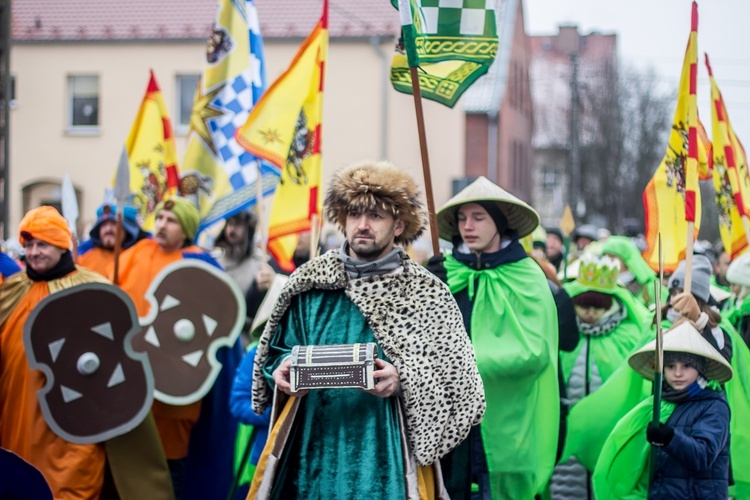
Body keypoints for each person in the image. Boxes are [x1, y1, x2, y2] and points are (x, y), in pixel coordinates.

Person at [249, 161, 486, 498]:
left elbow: (460, 384)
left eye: (376, 216)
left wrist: (403, 380)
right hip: (310, 451)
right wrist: (282, 371)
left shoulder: (425, 294)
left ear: (399, 225)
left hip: (387, 454)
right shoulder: (308, 284)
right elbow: (274, 355)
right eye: (354, 214)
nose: (362, 225)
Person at [0, 206, 171, 498]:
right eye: (28, 245)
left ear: (61, 245)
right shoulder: (12, 290)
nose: (33, 252)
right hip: (16, 414)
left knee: (70, 483)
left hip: (74, 418)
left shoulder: (92, 289)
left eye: (42, 244)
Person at [430, 176, 559, 499]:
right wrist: (426, 288)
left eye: (478, 217)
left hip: (507, 426)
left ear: (499, 223)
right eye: (462, 218)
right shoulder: (443, 272)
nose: (467, 226)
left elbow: (535, 352)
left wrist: (462, 367)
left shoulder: (526, 275)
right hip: (447, 428)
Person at [118, 196, 242, 499]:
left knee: (171, 468)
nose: (161, 225)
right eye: (159, 218)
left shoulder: (201, 265)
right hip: (131, 384)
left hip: (176, 393)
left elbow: (219, 328)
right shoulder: (134, 254)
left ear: (185, 229)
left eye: (171, 221)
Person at [593, 321, 733, 499]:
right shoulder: (662, 403)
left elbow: (703, 456)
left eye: (686, 366)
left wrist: (669, 438)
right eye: (670, 366)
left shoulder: (714, 405)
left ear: (700, 369)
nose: (678, 373)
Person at [550, 254, 650, 498]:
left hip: (608, 435)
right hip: (565, 436)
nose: (591, 314)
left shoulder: (626, 335)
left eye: (599, 307)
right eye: (584, 305)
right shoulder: (560, 332)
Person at [213, 211, 277, 336]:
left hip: (244, 336)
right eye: (229, 224)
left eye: (238, 225)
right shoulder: (215, 260)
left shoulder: (261, 264)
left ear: (248, 229)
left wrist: (262, 289)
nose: (232, 229)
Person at [77, 203, 149, 277]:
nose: (108, 229)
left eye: (114, 224)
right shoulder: (84, 257)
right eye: (104, 225)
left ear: (127, 229)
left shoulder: (138, 257)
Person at [601, 234, 665, 309]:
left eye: (611, 256)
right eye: (604, 256)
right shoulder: (600, 284)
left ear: (626, 260)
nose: (606, 261)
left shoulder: (651, 286)